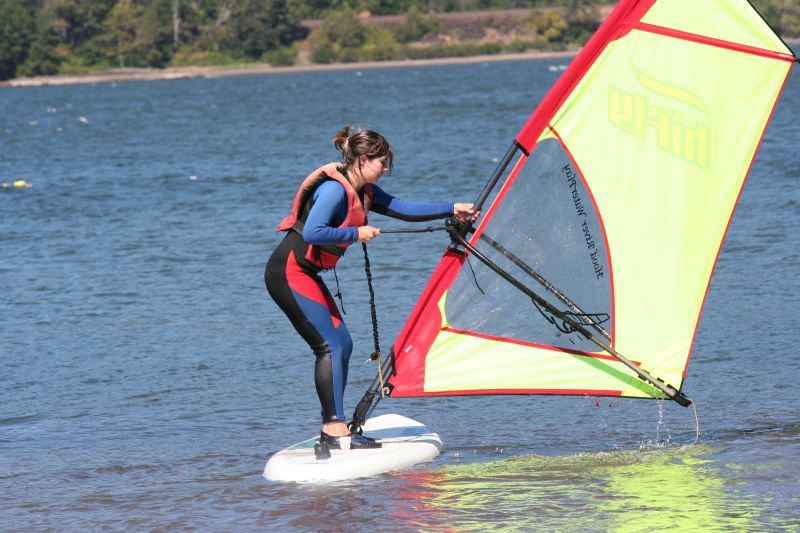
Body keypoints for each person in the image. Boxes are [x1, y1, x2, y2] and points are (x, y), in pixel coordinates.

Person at [265, 126, 477, 457]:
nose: (387, 168)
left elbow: (403, 207)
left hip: (304, 272)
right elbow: (314, 233)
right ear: (363, 159)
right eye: (383, 161)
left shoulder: (365, 190)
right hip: (289, 272)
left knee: (341, 344)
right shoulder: (335, 191)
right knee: (330, 346)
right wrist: (356, 232)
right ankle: (334, 431)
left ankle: (333, 428)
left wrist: (452, 207)